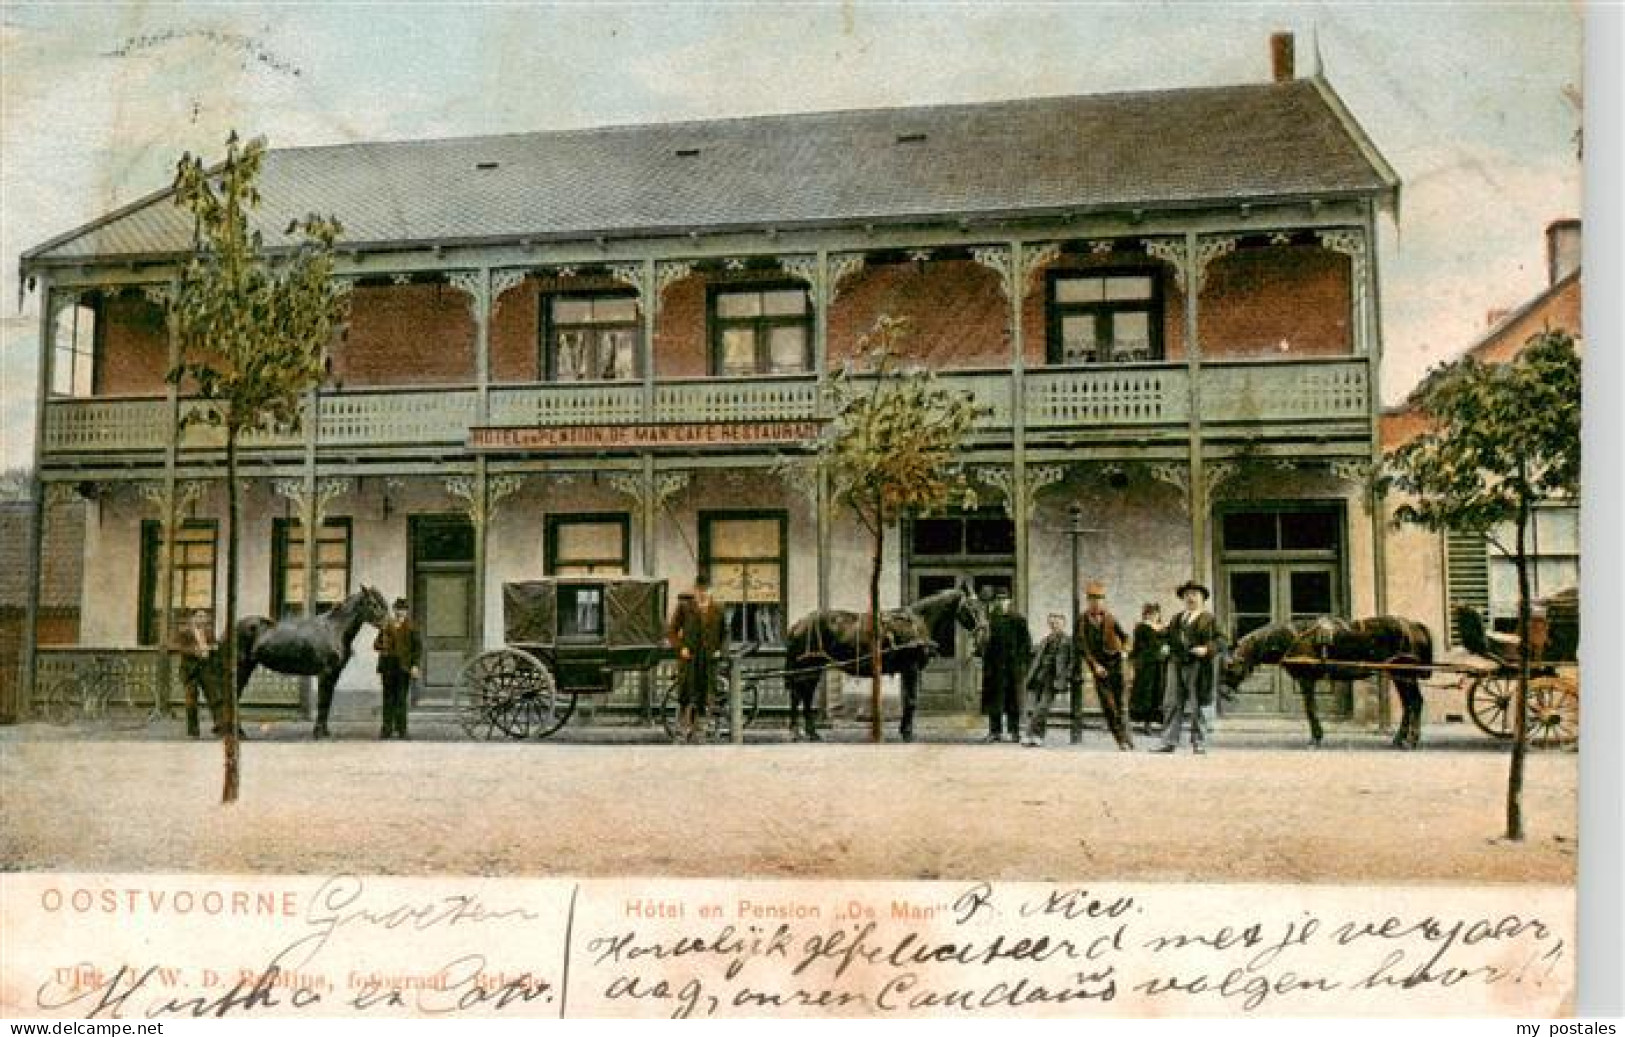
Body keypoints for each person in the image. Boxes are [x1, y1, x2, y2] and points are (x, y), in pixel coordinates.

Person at [1153, 580, 1220, 754]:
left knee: (1199, 704)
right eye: (1187, 595)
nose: (1190, 598)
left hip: (1198, 666)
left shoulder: (1209, 619)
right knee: (1171, 702)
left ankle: (1199, 742)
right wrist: (1165, 646)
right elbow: (1167, 637)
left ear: (1202, 599)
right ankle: (1169, 741)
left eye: (1194, 595)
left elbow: (1222, 641)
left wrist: (1206, 649)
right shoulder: (1177, 618)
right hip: (1176, 664)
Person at [666, 574, 727, 743]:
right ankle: (682, 732)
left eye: (706, 590)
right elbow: (671, 632)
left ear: (711, 591)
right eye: (700, 590)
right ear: (695, 591)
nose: (703, 593)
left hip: (708, 661)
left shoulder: (718, 609)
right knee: (686, 696)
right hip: (690, 659)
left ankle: (700, 732)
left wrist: (720, 651)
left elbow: (725, 634)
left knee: (706, 696)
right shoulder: (685, 608)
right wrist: (681, 647)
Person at [1076, 581, 1134, 750]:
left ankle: (1128, 738)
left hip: (1116, 663)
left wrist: (1124, 651)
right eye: (1093, 599)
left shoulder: (1110, 617)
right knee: (1109, 705)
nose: (1097, 603)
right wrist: (1095, 665)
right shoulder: (1082, 620)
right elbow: (1082, 646)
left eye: (1100, 599)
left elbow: (1126, 637)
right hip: (1100, 668)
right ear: (1088, 601)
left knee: (1122, 704)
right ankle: (1120, 739)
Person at [979, 589, 1030, 743]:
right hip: (994, 667)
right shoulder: (991, 620)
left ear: (1010, 600)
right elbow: (985, 644)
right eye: (999, 599)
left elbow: (1026, 644)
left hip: (1012, 668)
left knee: (1013, 700)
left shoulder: (1018, 619)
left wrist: (1021, 664)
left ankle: (1014, 731)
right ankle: (994, 732)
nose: (1002, 602)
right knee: (994, 700)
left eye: (1004, 599)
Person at [374, 597, 422, 740]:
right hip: (388, 666)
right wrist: (384, 647)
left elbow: (418, 649)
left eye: (403, 610)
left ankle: (402, 730)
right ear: (394, 610)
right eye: (398, 609)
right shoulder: (386, 626)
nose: (401, 612)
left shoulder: (412, 627)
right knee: (388, 698)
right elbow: (376, 645)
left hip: (404, 667)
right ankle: (386, 729)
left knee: (401, 699)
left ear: (406, 612)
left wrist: (415, 665)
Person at [1022, 612, 1072, 747]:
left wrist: (1066, 676)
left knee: (1042, 708)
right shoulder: (1046, 639)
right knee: (1037, 707)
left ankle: (1028, 733)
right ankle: (1038, 737)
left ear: (1063, 624)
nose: (1054, 626)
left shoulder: (1068, 641)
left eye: (1057, 623)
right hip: (1039, 677)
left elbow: (1072, 662)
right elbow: (1035, 654)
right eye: (1052, 623)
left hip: (1054, 679)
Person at [172, 609, 224, 738]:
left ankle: (219, 727)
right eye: (199, 616)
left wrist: (214, 648)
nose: (202, 619)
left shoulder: (209, 632)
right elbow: (178, 647)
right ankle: (193, 731)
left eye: (204, 617)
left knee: (215, 699)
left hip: (206, 669)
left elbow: (214, 645)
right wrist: (195, 650)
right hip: (190, 671)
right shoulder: (185, 632)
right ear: (193, 618)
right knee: (191, 702)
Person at [1129, 602, 1169, 734]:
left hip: (1161, 665)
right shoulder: (1142, 628)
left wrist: (1166, 648)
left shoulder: (1163, 628)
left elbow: (1168, 642)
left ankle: (1159, 723)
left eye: (1156, 614)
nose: (1153, 616)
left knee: (1160, 692)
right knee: (1147, 693)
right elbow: (1138, 647)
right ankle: (1147, 724)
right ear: (1146, 615)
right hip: (1147, 665)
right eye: (1150, 614)